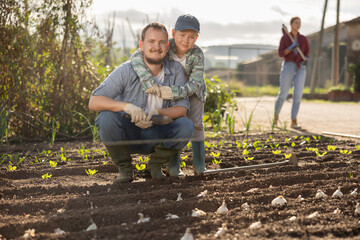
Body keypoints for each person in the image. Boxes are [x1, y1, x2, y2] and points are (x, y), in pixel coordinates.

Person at [89, 22, 194, 184]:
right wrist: (126, 107)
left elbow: (182, 108)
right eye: (151, 42)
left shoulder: (175, 71)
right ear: (142, 45)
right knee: (106, 118)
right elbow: (94, 101)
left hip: (157, 133)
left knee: (185, 125)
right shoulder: (127, 70)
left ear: (167, 46)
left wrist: (159, 113)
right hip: (130, 133)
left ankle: (156, 165)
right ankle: (125, 169)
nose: (156, 47)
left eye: (161, 43)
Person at [131, 14, 207, 176]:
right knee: (176, 122)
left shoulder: (198, 55)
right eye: (182, 35)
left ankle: (199, 164)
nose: (186, 41)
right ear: (173, 34)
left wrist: (172, 92)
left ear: (197, 38)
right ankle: (174, 165)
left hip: (193, 93)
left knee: (196, 125)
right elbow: (136, 56)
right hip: (170, 91)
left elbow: (194, 84)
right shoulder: (166, 46)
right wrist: (147, 81)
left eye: (191, 37)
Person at [274, 16, 310, 129]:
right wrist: (290, 48)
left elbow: (307, 52)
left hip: (301, 67)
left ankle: (294, 121)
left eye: (300, 23)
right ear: (291, 24)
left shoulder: (303, 39)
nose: (298, 25)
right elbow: (281, 53)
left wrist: (306, 58)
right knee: (283, 93)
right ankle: (275, 117)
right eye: (296, 23)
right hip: (289, 65)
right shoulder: (285, 38)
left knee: (298, 94)